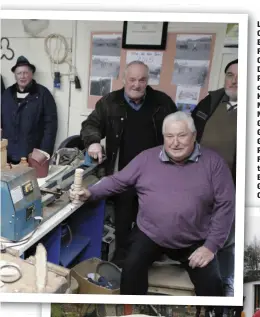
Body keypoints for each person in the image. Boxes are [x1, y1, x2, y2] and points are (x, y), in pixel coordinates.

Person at [71, 111, 235, 309]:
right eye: (169, 136)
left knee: (212, 287)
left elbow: (225, 206)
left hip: (195, 238)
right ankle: (132, 312)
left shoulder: (214, 164)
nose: (175, 143)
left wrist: (211, 246)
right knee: (130, 269)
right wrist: (90, 193)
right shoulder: (147, 158)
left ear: (194, 136)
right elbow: (118, 181)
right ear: (164, 137)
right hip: (151, 233)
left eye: (182, 136)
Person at [80, 60, 177, 266]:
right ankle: (122, 262)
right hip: (123, 174)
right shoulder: (110, 102)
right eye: (132, 79)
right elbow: (90, 124)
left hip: (156, 176)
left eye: (142, 80)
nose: (136, 84)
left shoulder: (162, 102)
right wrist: (94, 142)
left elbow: (178, 129)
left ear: (147, 81)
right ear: (124, 79)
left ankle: (149, 258)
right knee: (123, 221)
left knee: (153, 219)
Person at [192, 59, 238, 317]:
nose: (234, 81)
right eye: (230, 75)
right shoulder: (210, 103)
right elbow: (189, 133)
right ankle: (206, 295)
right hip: (201, 184)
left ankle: (224, 293)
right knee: (202, 235)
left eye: (241, 77)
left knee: (227, 241)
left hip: (233, 188)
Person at [1, 56, 58, 164]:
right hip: (7, 155)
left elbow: (50, 126)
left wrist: (44, 152)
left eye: (25, 73)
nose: (22, 76)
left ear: (31, 74)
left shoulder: (43, 94)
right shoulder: (7, 94)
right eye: (19, 73)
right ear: (15, 75)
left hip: (32, 156)